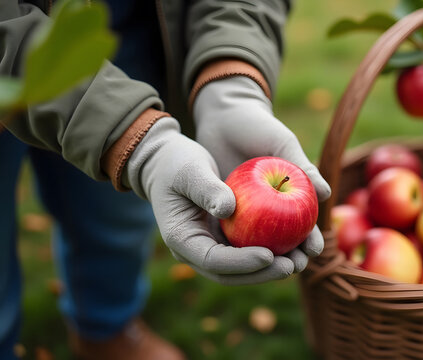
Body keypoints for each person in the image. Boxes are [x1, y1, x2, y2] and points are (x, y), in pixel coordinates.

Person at [0, 1, 330, 359]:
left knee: (115, 213)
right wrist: (137, 143)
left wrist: (231, 81)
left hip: (127, 20)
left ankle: (106, 329)